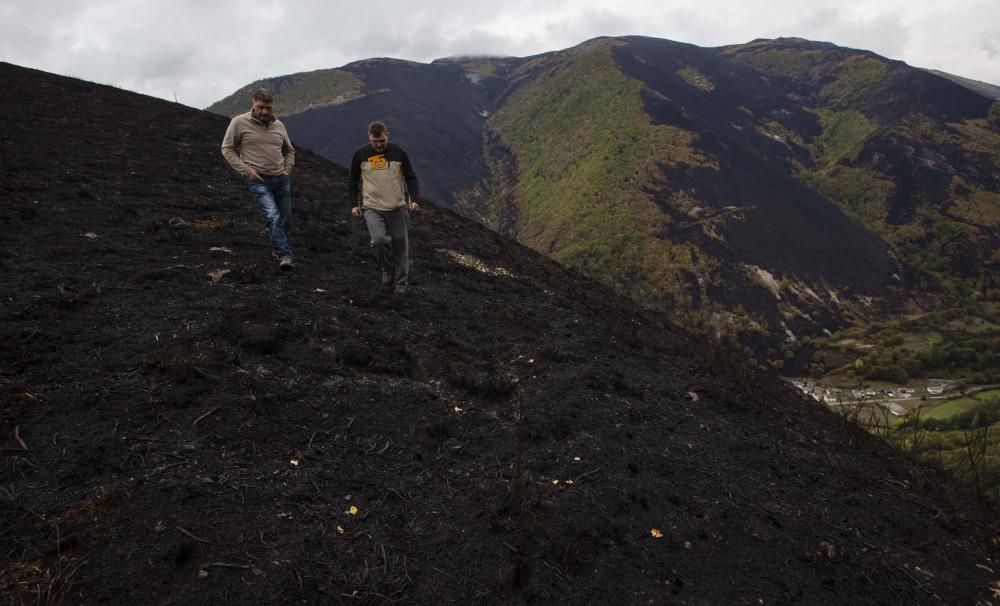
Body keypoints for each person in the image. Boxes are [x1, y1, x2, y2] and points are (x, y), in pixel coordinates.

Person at [221, 88, 296, 269]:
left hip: (281, 179)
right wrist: (247, 171)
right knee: (273, 216)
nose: (264, 111)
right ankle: (284, 255)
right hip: (258, 180)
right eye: (260, 107)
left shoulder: (279, 125)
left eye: (268, 108)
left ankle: (277, 247)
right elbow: (227, 148)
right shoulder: (239, 123)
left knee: (286, 219)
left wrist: (287, 169)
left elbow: (289, 150)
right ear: (252, 104)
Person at [348, 121, 420, 293]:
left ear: (387, 135)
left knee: (400, 246)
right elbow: (352, 181)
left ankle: (401, 283)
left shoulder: (399, 153)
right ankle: (387, 270)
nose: (379, 145)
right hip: (372, 207)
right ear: (369, 137)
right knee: (379, 240)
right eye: (375, 141)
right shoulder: (360, 154)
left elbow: (411, 177)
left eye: (382, 141)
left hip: (397, 207)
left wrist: (414, 199)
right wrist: (353, 204)